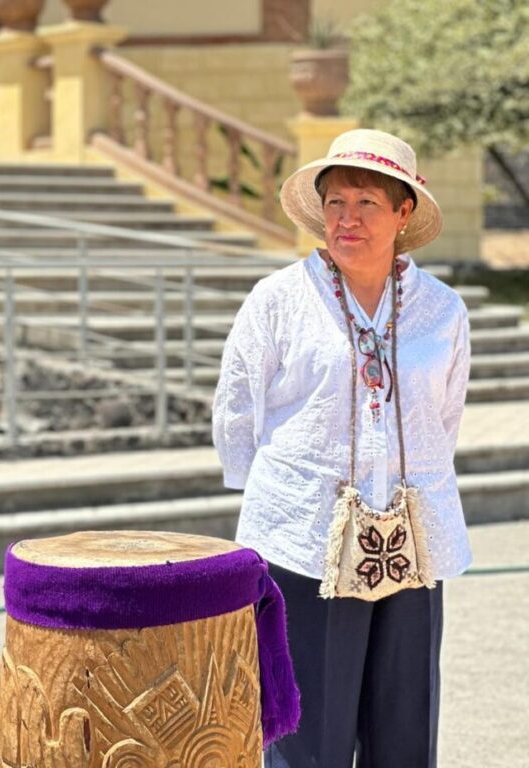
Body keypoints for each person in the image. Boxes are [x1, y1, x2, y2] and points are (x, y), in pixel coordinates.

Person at [213, 129, 471, 767]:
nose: (347, 219)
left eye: (367, 204)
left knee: (404, 726)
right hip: (304, 540)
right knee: (308, 737)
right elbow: (237, 410)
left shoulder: (442, 310)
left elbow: (444, 416)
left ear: (403, 212)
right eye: (335, 203)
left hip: (411, 540)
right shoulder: (278, 300)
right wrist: (286, 493)